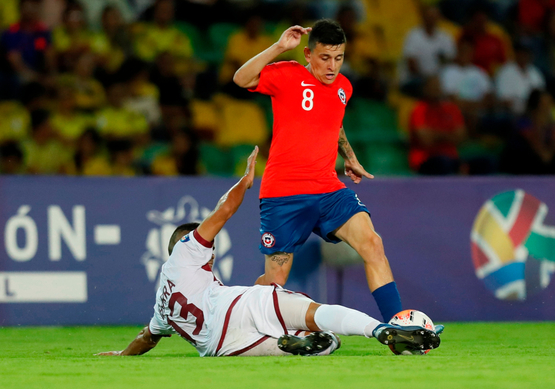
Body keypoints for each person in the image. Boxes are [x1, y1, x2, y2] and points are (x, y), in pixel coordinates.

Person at [96, 148, 442, 357]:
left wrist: (122, 354)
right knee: (318, 314)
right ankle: (380, 331)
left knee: (314, 345)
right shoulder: (187, 250)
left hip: (223, 346)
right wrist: (244, 183)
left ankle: (297, 344)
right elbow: (221, 212)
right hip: (241, 304)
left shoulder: (161, 301)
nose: (210, 251)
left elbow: (147, 337)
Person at [232, 19, 403, 322]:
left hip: (327, 188)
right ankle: (232, 315)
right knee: (275, 283)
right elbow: (241, 78)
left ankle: (398, 326)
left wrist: (349, 156)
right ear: (308, 55)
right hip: (284, 193)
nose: (332, 66)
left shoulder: (343, 88)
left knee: (373, 244)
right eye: (325, 58)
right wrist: (279, 47)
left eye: (338, 58)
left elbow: (334, 124)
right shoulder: (286, 74)